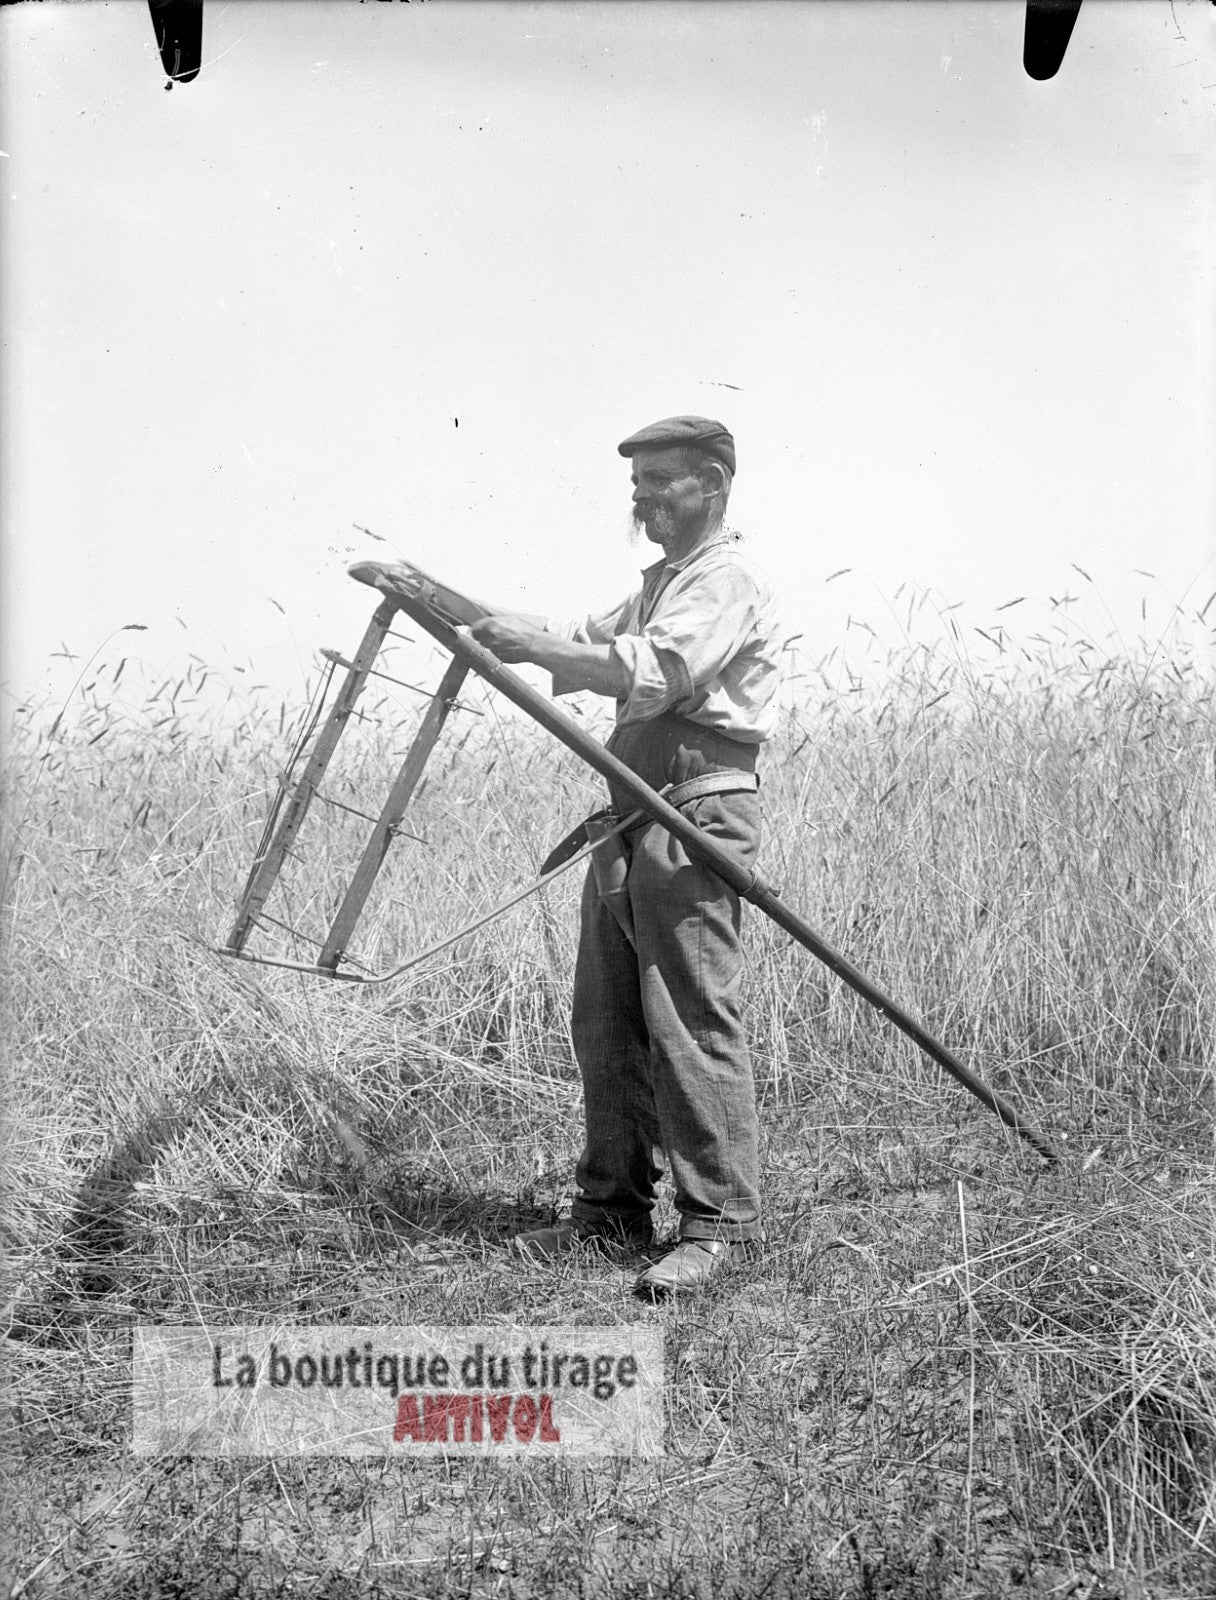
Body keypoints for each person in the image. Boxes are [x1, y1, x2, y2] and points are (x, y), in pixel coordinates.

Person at [468, 416, 782, 1298]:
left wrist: (541, 649)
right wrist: (452, 606)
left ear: (714, 483)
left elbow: (655, 668)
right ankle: (610, 1211)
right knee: (604, 1018)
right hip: (629, 809)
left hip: (696, 808)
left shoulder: (727, 579)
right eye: (636, 483)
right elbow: (579, 634)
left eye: (661, 480)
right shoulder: (660, 582)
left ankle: (719, 1223)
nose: (641, 498)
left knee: (688, 1016)